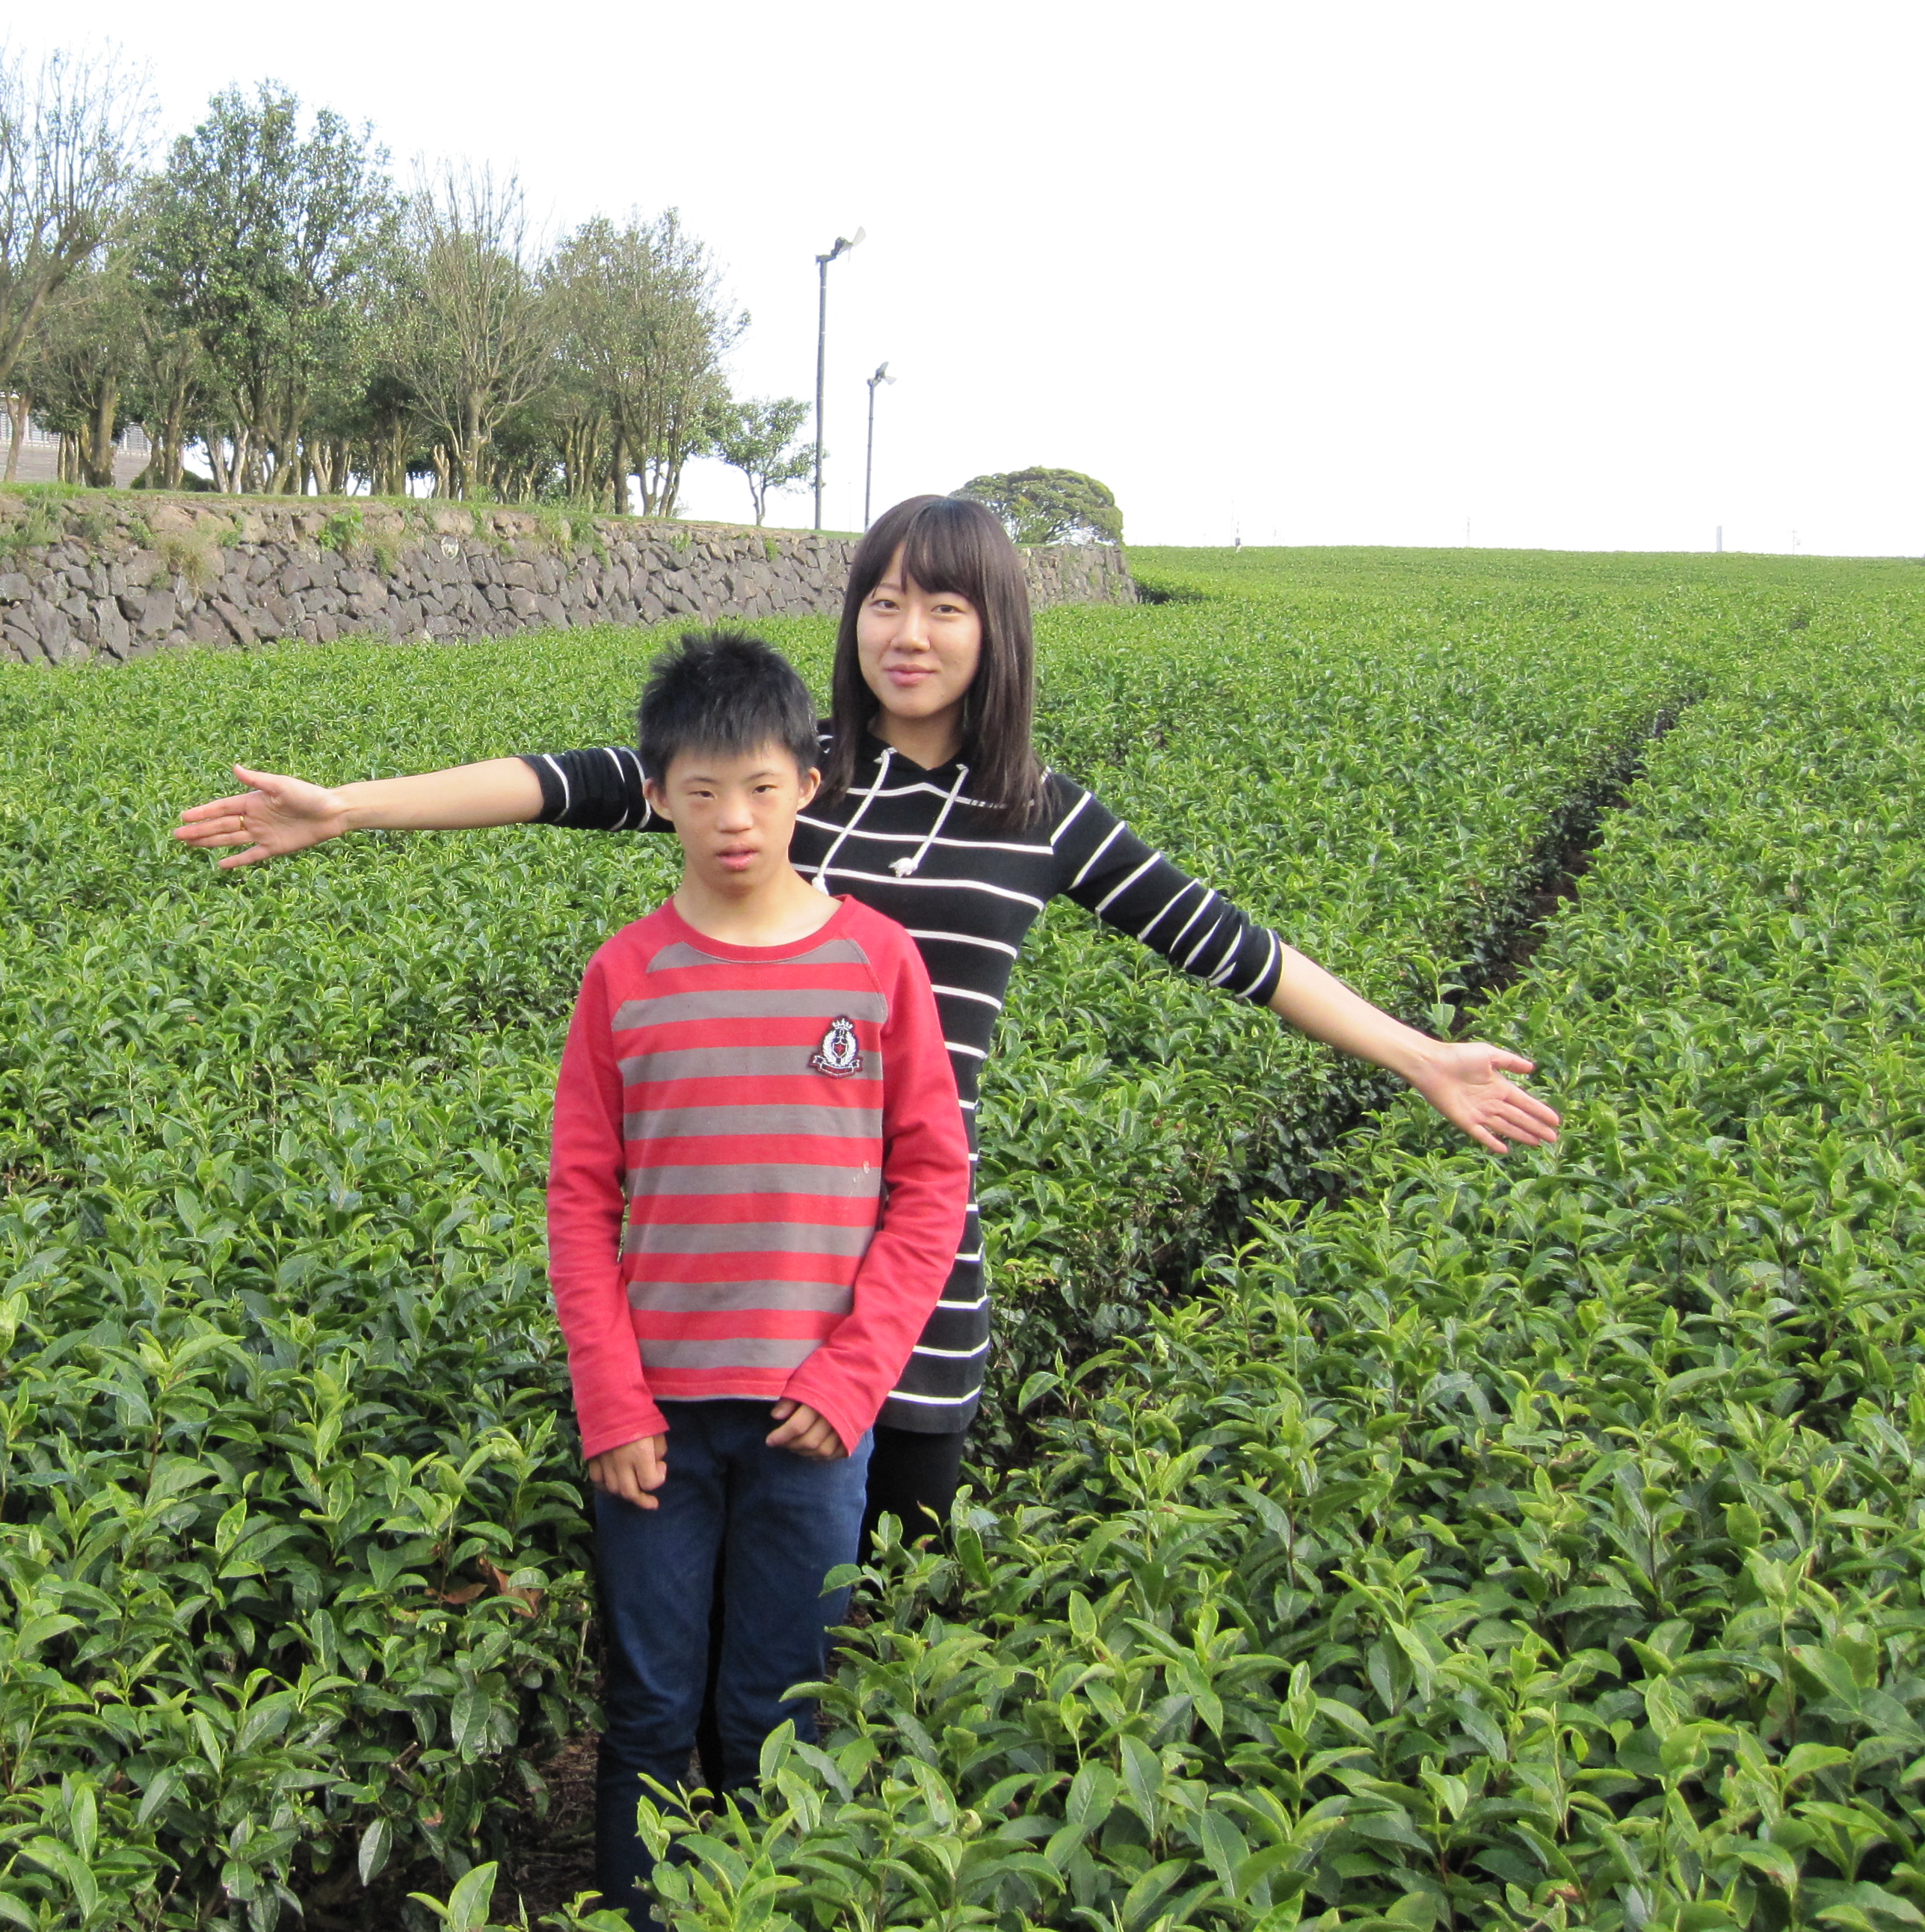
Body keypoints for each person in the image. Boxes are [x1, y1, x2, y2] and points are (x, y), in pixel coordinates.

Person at [176, 492, 1561, 1551]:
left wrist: (1416, 1052)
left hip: (910, 1290)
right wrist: (353, 806)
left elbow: (1231, 948)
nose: (908, 633)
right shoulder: (788, 775)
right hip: (737, 1287)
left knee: (872, 1614)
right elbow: (568, 780)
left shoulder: (1041, 819)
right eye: (885, 602)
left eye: (945, 609)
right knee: (703, 1626)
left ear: (995, 631)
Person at [548, 631, 969, 1929]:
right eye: (704, 790)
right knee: (652, 1704)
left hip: (812, 1420)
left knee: (777, 1702)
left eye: (764, 788)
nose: (736, 820)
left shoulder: (879, 963)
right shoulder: (624, 974)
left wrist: (855, 1377)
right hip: (655, 1430)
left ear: (810, 785)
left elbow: (930, 1184)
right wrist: (613, 1403)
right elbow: (579, 1200)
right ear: (659, 793)